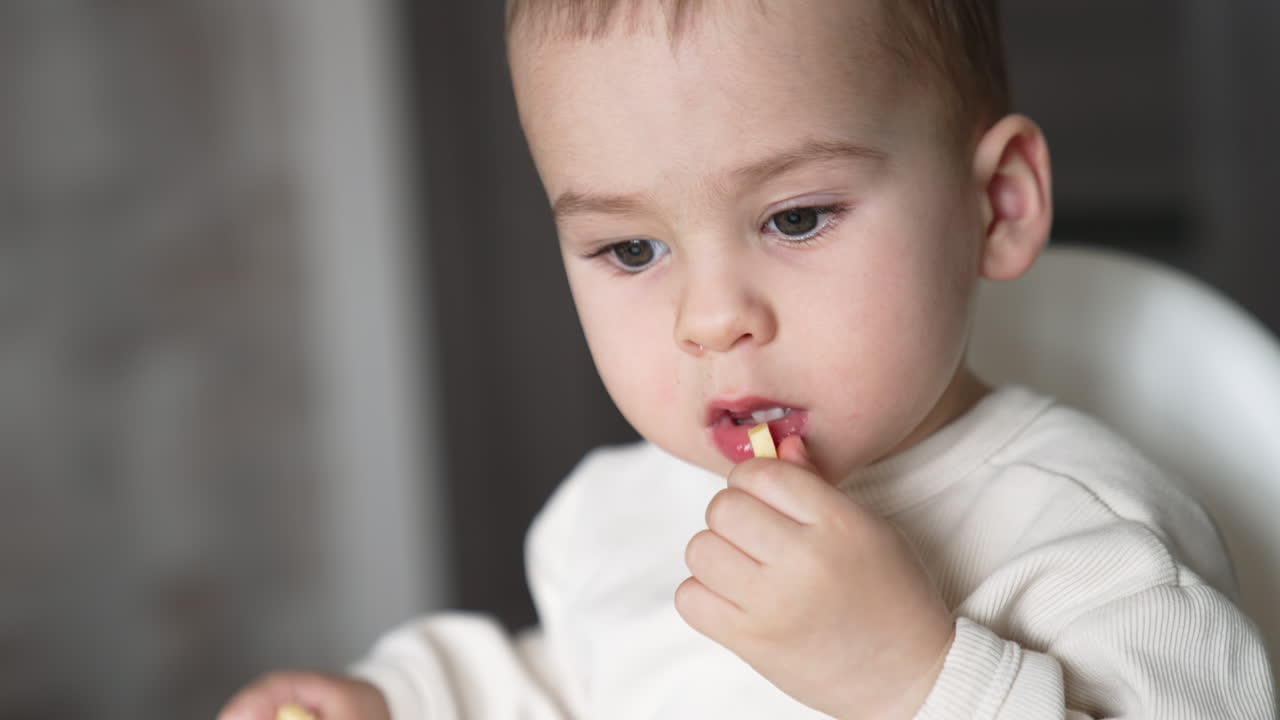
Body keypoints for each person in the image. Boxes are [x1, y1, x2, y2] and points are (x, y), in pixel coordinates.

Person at [219, 0, 1276, 717]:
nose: (709, 319)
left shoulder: (1094, 544)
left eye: (797, 218)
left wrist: (915, 682)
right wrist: (400, 700)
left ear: (992, 205)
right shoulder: (620, 515)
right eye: (631, 249)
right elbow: (575, 685)